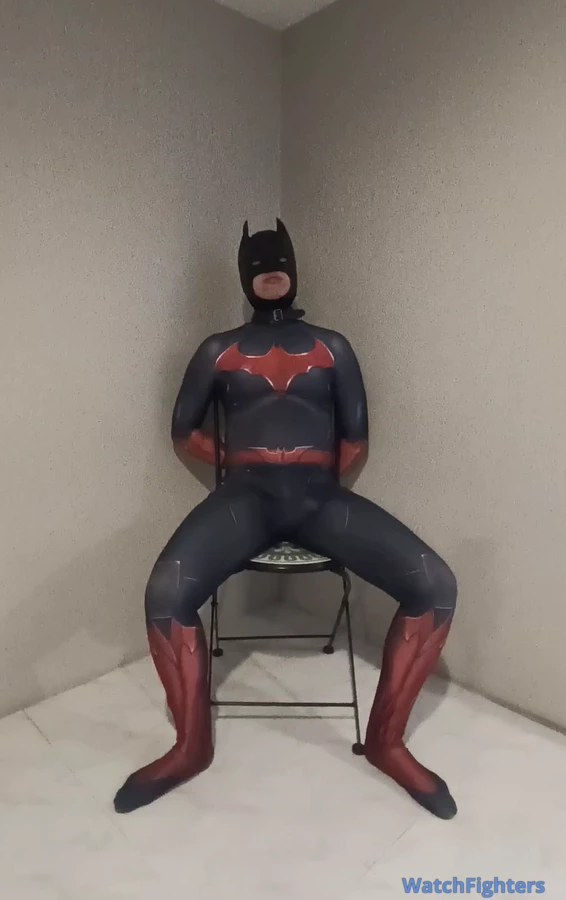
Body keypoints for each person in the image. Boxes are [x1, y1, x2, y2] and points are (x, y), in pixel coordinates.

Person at [114, 219, 457, 819]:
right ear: (242, 275)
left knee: (436, 585)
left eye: (278, 262)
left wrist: (306, 477)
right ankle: (190, 747)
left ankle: (387, 742)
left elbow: (355, 438)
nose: (269, 272)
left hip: (319, 499)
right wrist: (245, 469)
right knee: (164, 594)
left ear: (294, 268)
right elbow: (184, 432)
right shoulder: (217, 351)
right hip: (244, 499)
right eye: (257, 264)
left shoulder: (334, 347)